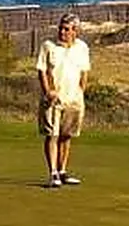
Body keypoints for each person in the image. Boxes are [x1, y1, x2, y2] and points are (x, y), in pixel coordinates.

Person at [36, 12, 90, 188]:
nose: (62, 32)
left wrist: (81, 91)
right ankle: (52, 173)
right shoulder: (48, 46)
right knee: (52, 134)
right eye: (61, 28)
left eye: (66, 29)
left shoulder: (82, 47)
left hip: (73, 99)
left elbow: (84, 71)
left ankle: (62, 171)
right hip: (53, 99)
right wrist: (48, 91)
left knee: (67, 136)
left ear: (75, 31)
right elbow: (42, 70)